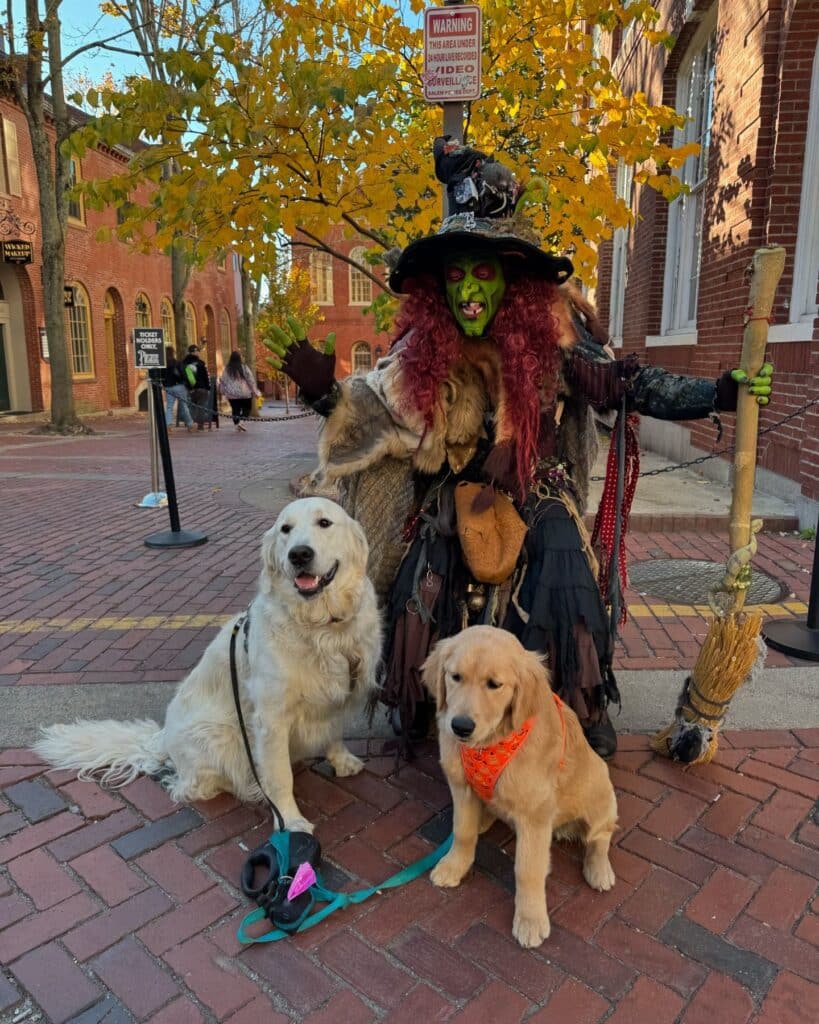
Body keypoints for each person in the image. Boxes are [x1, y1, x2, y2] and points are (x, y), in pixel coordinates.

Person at [265, 137, 773, 758]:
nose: (471, 291)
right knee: (428, 563)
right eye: (457, 277)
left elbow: (625, 382)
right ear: (439, 290)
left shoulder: (553, 339)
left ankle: (576, 707)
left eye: (485, 274)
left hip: (539, 481)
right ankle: (429, 699)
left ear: (511, 280)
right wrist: (325, 395)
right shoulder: (419, 355)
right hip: (458, 486)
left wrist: (717, 392)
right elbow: (371, 407)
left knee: (561, 556)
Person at [220, 350, 260, 431]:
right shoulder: (244, 367)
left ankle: (237, 425)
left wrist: (223, 391)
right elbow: (250, 380)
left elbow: (223, 381)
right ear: (239, 358)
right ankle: (241, 422)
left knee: (235, 409)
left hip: (232, 394)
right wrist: (255, 391)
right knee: (247, 408)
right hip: (244, 393)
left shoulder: (227, 369)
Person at [163, 346, 194, 431]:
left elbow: (162, 377)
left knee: (169, 406)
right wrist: (188, 386)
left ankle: (168, 425)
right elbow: (184, 375)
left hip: (168, 387)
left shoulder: (164, 365)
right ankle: (190, 425)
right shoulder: (178, 363)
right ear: (173, 353)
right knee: (184, 405)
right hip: (179, 386)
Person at [183, 342, 212, 431]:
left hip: (190, 389)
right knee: (201, 407)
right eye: (197, 351)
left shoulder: (184, 363)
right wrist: (208, 387)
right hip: (202, 388)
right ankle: (200, 425)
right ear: (194, 352)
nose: (198, 352)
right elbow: (206, 376)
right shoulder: (201, 363)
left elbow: (183, 376)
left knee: (191, 407)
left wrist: (188, 387)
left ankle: (191, 425)